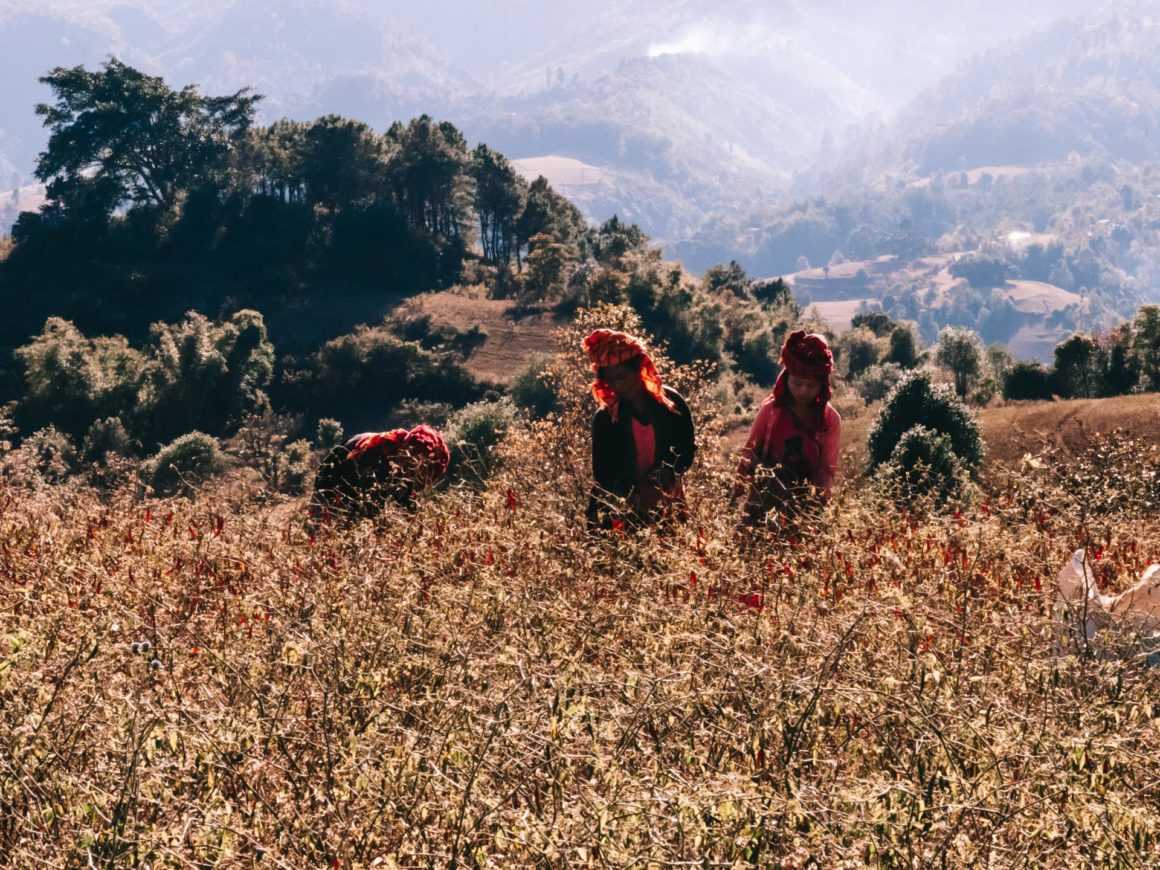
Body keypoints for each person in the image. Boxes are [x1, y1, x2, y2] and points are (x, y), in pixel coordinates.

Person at [582, 329, 696, 529]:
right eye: (611, 380)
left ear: (638, 370)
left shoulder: (671, 404)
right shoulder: (605, 420)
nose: (617, 385)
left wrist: (665, 477)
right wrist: (635, 491)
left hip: (666, 501)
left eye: (621, 377)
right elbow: (604, 476)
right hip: (620, 509)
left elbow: (686, 449)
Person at [734, 329, 841, 527]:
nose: (803, 391)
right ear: (786, 377)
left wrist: (816, 508)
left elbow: (826, 470)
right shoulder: (771, 410)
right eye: (797, 383)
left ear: (822, 385)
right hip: (761, 503)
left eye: (810, 386)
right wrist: (738, 490)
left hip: (803, 510)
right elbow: (749, 451)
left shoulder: (830, 420)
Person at [310, 424, 450, 522]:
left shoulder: (403, 453)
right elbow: (370, 510)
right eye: (415, 465)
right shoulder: (372, 457)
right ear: (406, 451)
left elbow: (406, 504)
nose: (417, 474)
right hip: (332, 494)